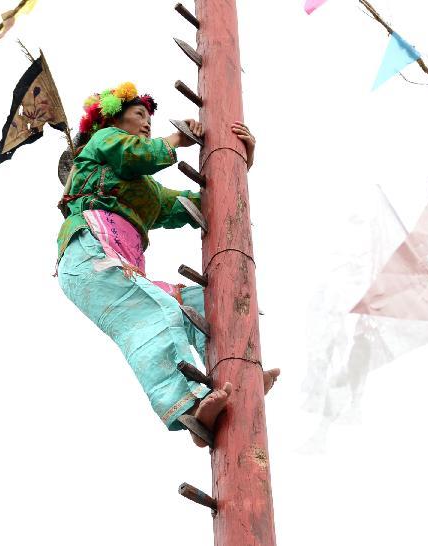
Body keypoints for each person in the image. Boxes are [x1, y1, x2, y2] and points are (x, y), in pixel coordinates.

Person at [56, 82, 279, 447]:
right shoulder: (103, 143)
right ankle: (187, 406)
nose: (147, 124)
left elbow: (199, 203)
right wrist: (177, 139)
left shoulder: (144, 190)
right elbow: (134, 154)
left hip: (118, 264)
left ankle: (239, 376)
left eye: (149, 118)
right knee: (157, 315)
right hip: (88, 255)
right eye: (139, 115)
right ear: (111, 120)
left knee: (198, 303)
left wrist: (238, 163)